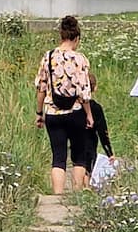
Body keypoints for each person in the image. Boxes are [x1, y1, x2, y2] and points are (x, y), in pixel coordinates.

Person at [33, 15, 95, 193]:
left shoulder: (48, 57)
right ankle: (77, 194)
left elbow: (41, 89)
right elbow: (84, 92)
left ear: (61, 36)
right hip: (75, 113)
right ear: (77, 38)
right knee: (79, 156)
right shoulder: (80, 59)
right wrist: (89, 115)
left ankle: (57, 197)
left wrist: (39, 114)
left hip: (53, 113)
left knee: (58, 157)